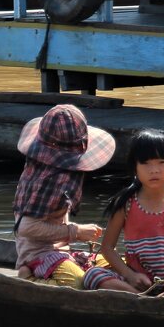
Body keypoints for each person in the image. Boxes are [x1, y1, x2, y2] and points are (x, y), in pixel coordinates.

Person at [12, 104, 132, 291]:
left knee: (125, 265)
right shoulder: (48, 181)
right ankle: (29, 279)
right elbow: (26, 227)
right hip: (38, 255)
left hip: (62, 251)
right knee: (77, 284)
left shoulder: (60, 174)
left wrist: (75, 234)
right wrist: (76, 232)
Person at [83, 130, 164, 292]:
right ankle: (142, 297)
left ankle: (159, 296)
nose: (154, 170)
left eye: (161, 162)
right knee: (93, 275)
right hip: (138, 282)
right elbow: (107, 247)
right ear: (134, 168)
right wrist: (130, 275)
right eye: (145, 164)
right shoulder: (126, 203)